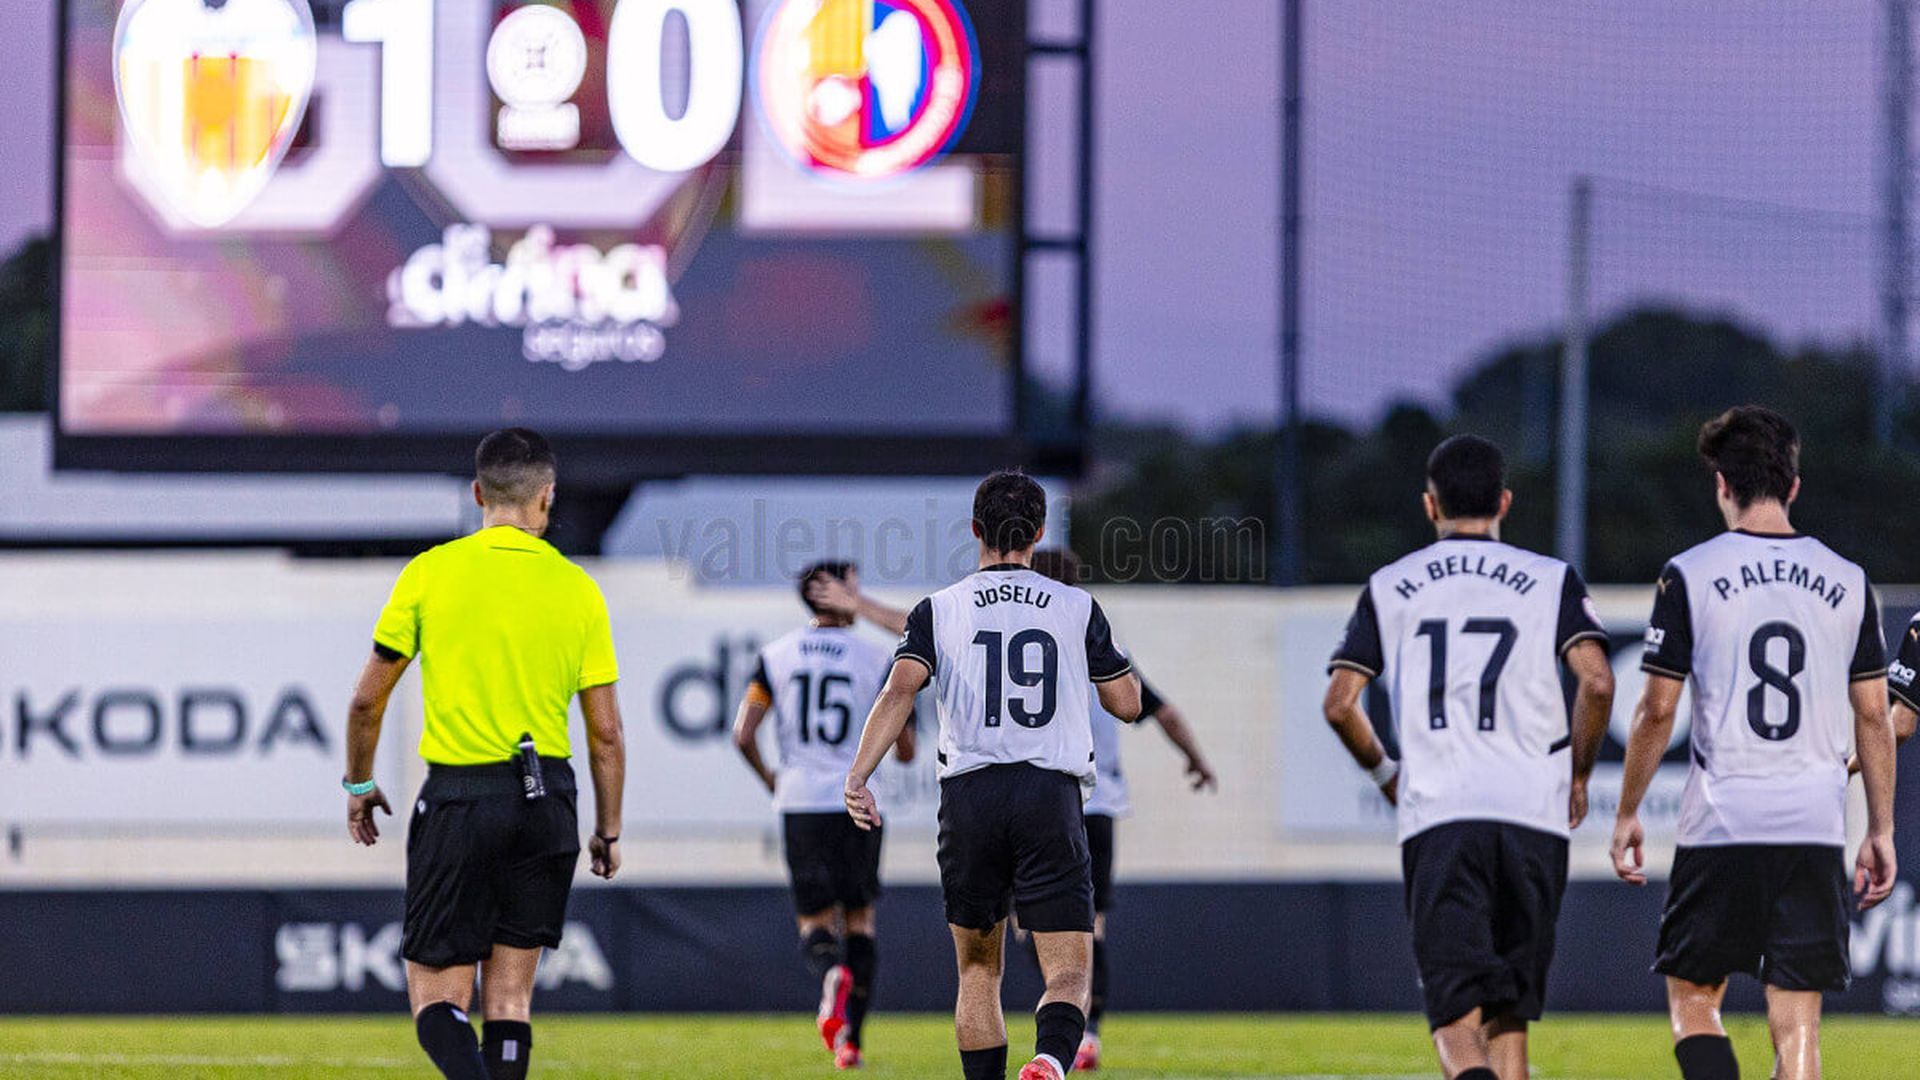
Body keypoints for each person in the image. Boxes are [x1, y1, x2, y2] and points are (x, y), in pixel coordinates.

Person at [813, 550, 1216, 1072]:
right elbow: (1145, 706)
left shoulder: (959, 614)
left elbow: (910, 658)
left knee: (981, 965)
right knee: (1081, 940)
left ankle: (1067, 1033)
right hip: (1070, 799)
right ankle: (1073, 1039)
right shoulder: (1083, 626)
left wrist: (860, 607)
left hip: (978, 798)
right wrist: (1197, 760)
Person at [1611, 406, 1898, 1080]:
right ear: (1793, 485)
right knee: (1797, 1025)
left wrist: (1627, 810)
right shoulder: (1850, 582)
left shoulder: (1689, 573)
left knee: (1692, 997)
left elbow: (1657, 710)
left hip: (1723, 818)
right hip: (1814, 821)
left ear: (1720, 484)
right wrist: (1880, 828)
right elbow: (1875, 715)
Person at [1323, 434, 1615, 1080]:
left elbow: (1341, 703)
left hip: (1443, 812)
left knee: (1454, 1021)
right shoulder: (1549, 578)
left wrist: (1385, 773)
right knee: (1508, 1016)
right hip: (1535, 814)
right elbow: (1596, 681)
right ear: (1504, 501)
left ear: (1431, 506)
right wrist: (1580, 772)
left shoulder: (1392, 585)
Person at [342, 428, 626, 1080]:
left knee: (436, 999)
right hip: (548, 802)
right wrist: (607, 830)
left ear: (477, 494)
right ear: (547, 498)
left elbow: (366, 702)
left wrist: (359, 786)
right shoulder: (578, 587)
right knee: (509, 1000)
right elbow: (606, 734)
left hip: (461, 800)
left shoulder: (431, 572)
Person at [842, 470, 1142, 1080]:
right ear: (1037, 532)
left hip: (969, 795)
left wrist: (858, 776)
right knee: (1068, 967)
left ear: (975, 529)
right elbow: (1128, 704)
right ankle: (1053, 1062)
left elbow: (901, 691)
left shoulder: (939, 608)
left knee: (979, 969)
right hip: (1048, 795)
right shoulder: (1076, 606)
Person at [731, 561, 918, 1070]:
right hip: (858, 802)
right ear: (837, 593)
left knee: (815, 921)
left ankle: (830, 974)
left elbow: (743, 734)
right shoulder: (878, 657)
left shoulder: (776, 656)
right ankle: (852, 1041)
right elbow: (905, 749)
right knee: (860, 919)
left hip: (800, 802)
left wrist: (773, 779)